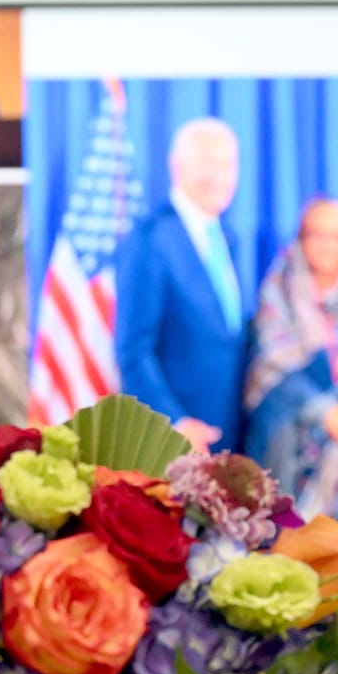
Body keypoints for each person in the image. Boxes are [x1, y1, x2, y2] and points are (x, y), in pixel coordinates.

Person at [116, 117, 249, 453]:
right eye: (208, 164)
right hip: (173, 443)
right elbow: (133, 351)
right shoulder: (149, 240)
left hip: (229, 439)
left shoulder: (228, 237)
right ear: (177, 166)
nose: (219, 176)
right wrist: (176, 421)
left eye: (227, 165)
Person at [245, 199, 338, 520]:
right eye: (318, 234)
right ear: (301, 240)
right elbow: (273, 370)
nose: (328, 245)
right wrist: (328, 414)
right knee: (293, 542)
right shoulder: (277, 296)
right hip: (292, 453)